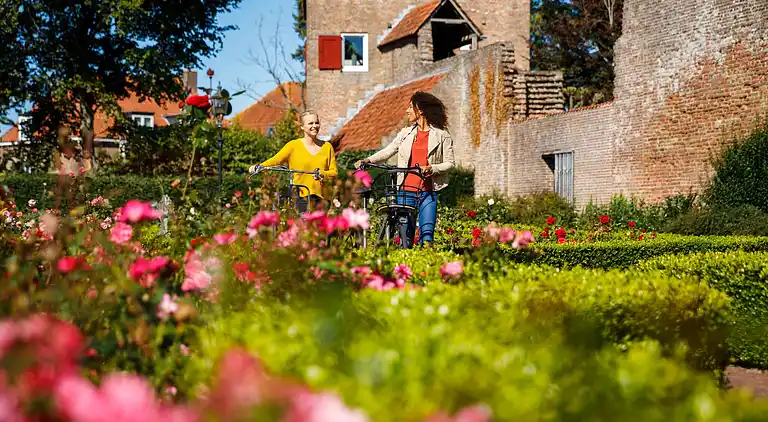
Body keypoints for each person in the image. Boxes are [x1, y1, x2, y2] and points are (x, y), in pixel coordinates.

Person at [356, 92, 455, 248]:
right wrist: (368, 160)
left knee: (427, 236)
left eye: (410, 107)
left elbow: (450, 163)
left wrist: (432, 168)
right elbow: (388, 151)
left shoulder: (442, 136)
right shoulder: (405, 133)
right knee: (405, 237)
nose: (407, 111)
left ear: (420, 110)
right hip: (405, 190)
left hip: (427, 191)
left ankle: (427, 268)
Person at [249, 111, 338, 213]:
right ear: (302, 127)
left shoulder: (327, 147)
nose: (315, 126)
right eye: (310, 123)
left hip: (322, 198)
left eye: (316, 123)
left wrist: (322, 173)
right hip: (300, 196)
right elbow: (276, 160)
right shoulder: (293, 146)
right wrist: (259, 166)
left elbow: (334, 172)